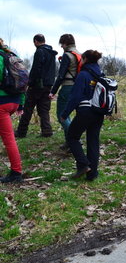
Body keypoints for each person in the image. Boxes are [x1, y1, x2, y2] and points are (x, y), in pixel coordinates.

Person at [61, 50, 106, 181]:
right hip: (99, 112)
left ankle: (83, 165)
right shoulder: (100, 74)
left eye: (81, 58)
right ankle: (92, 174)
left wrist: (65, 114)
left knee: (72, 137)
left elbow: (75, 97)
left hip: (85, 112)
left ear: (85, 59)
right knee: (93, 141)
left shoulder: (83, 75)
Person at [16, 34, 57, 138]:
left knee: (28, 109)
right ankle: (47, 131)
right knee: (44, 109)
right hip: (48, 85)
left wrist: (30, 83)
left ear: (35, 41)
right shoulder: (51, 53)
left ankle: (21, 132)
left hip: (37, 85)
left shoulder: (39, 51)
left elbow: (36, 69)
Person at [49, 34, 81, 149]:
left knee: (61, 115)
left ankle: (74, 140)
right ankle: (69, 142)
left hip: (67, 87)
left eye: (62, 43)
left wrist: (53, 91)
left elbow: (60, 75)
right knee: (67, 115)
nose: (61, 46)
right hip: (77, 87)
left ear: (66, 43)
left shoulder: (67, 55)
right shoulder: (78, 54)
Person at [0, 39, 25, 183]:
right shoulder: (11, 56)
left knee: (9, 139)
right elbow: (22, 83)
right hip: (14, 101)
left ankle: (16, 172)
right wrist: (20, 104)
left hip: (2, 103)